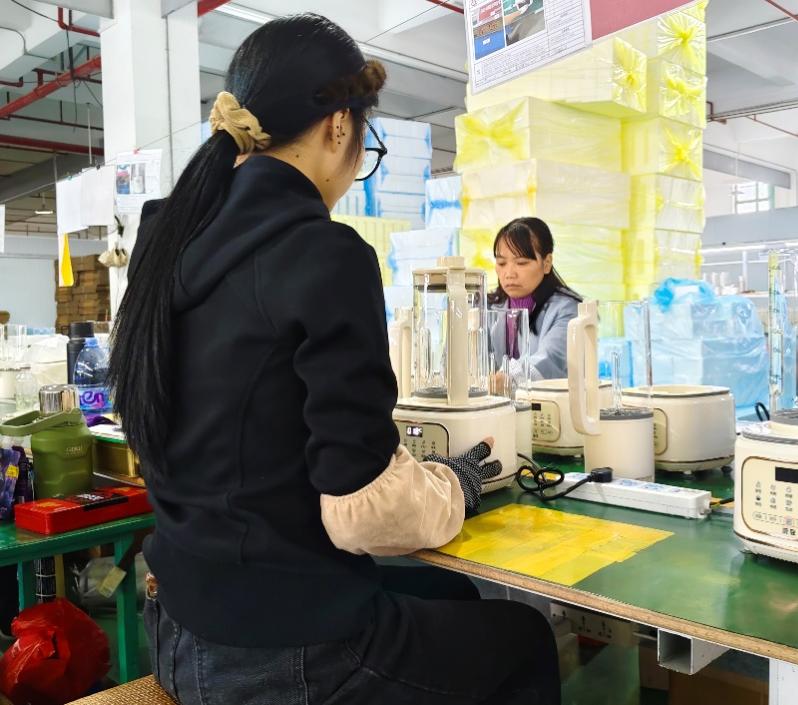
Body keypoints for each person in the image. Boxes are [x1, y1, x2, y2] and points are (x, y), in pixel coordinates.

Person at [109, 14, 559, 705]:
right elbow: (361, 512)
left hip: (176, 627)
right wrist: (454, 485)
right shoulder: (324, 253)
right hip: (282, 659)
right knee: (524, 637)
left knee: (452, 594)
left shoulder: (166, 242)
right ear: (339, 127)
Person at [489, 217, 582, 386]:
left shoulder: (569, 310)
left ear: (546, 263)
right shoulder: (488, 307)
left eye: (521, 263)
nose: (509, 274)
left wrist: (504, 380)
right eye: (501, 263)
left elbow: (550, 360)